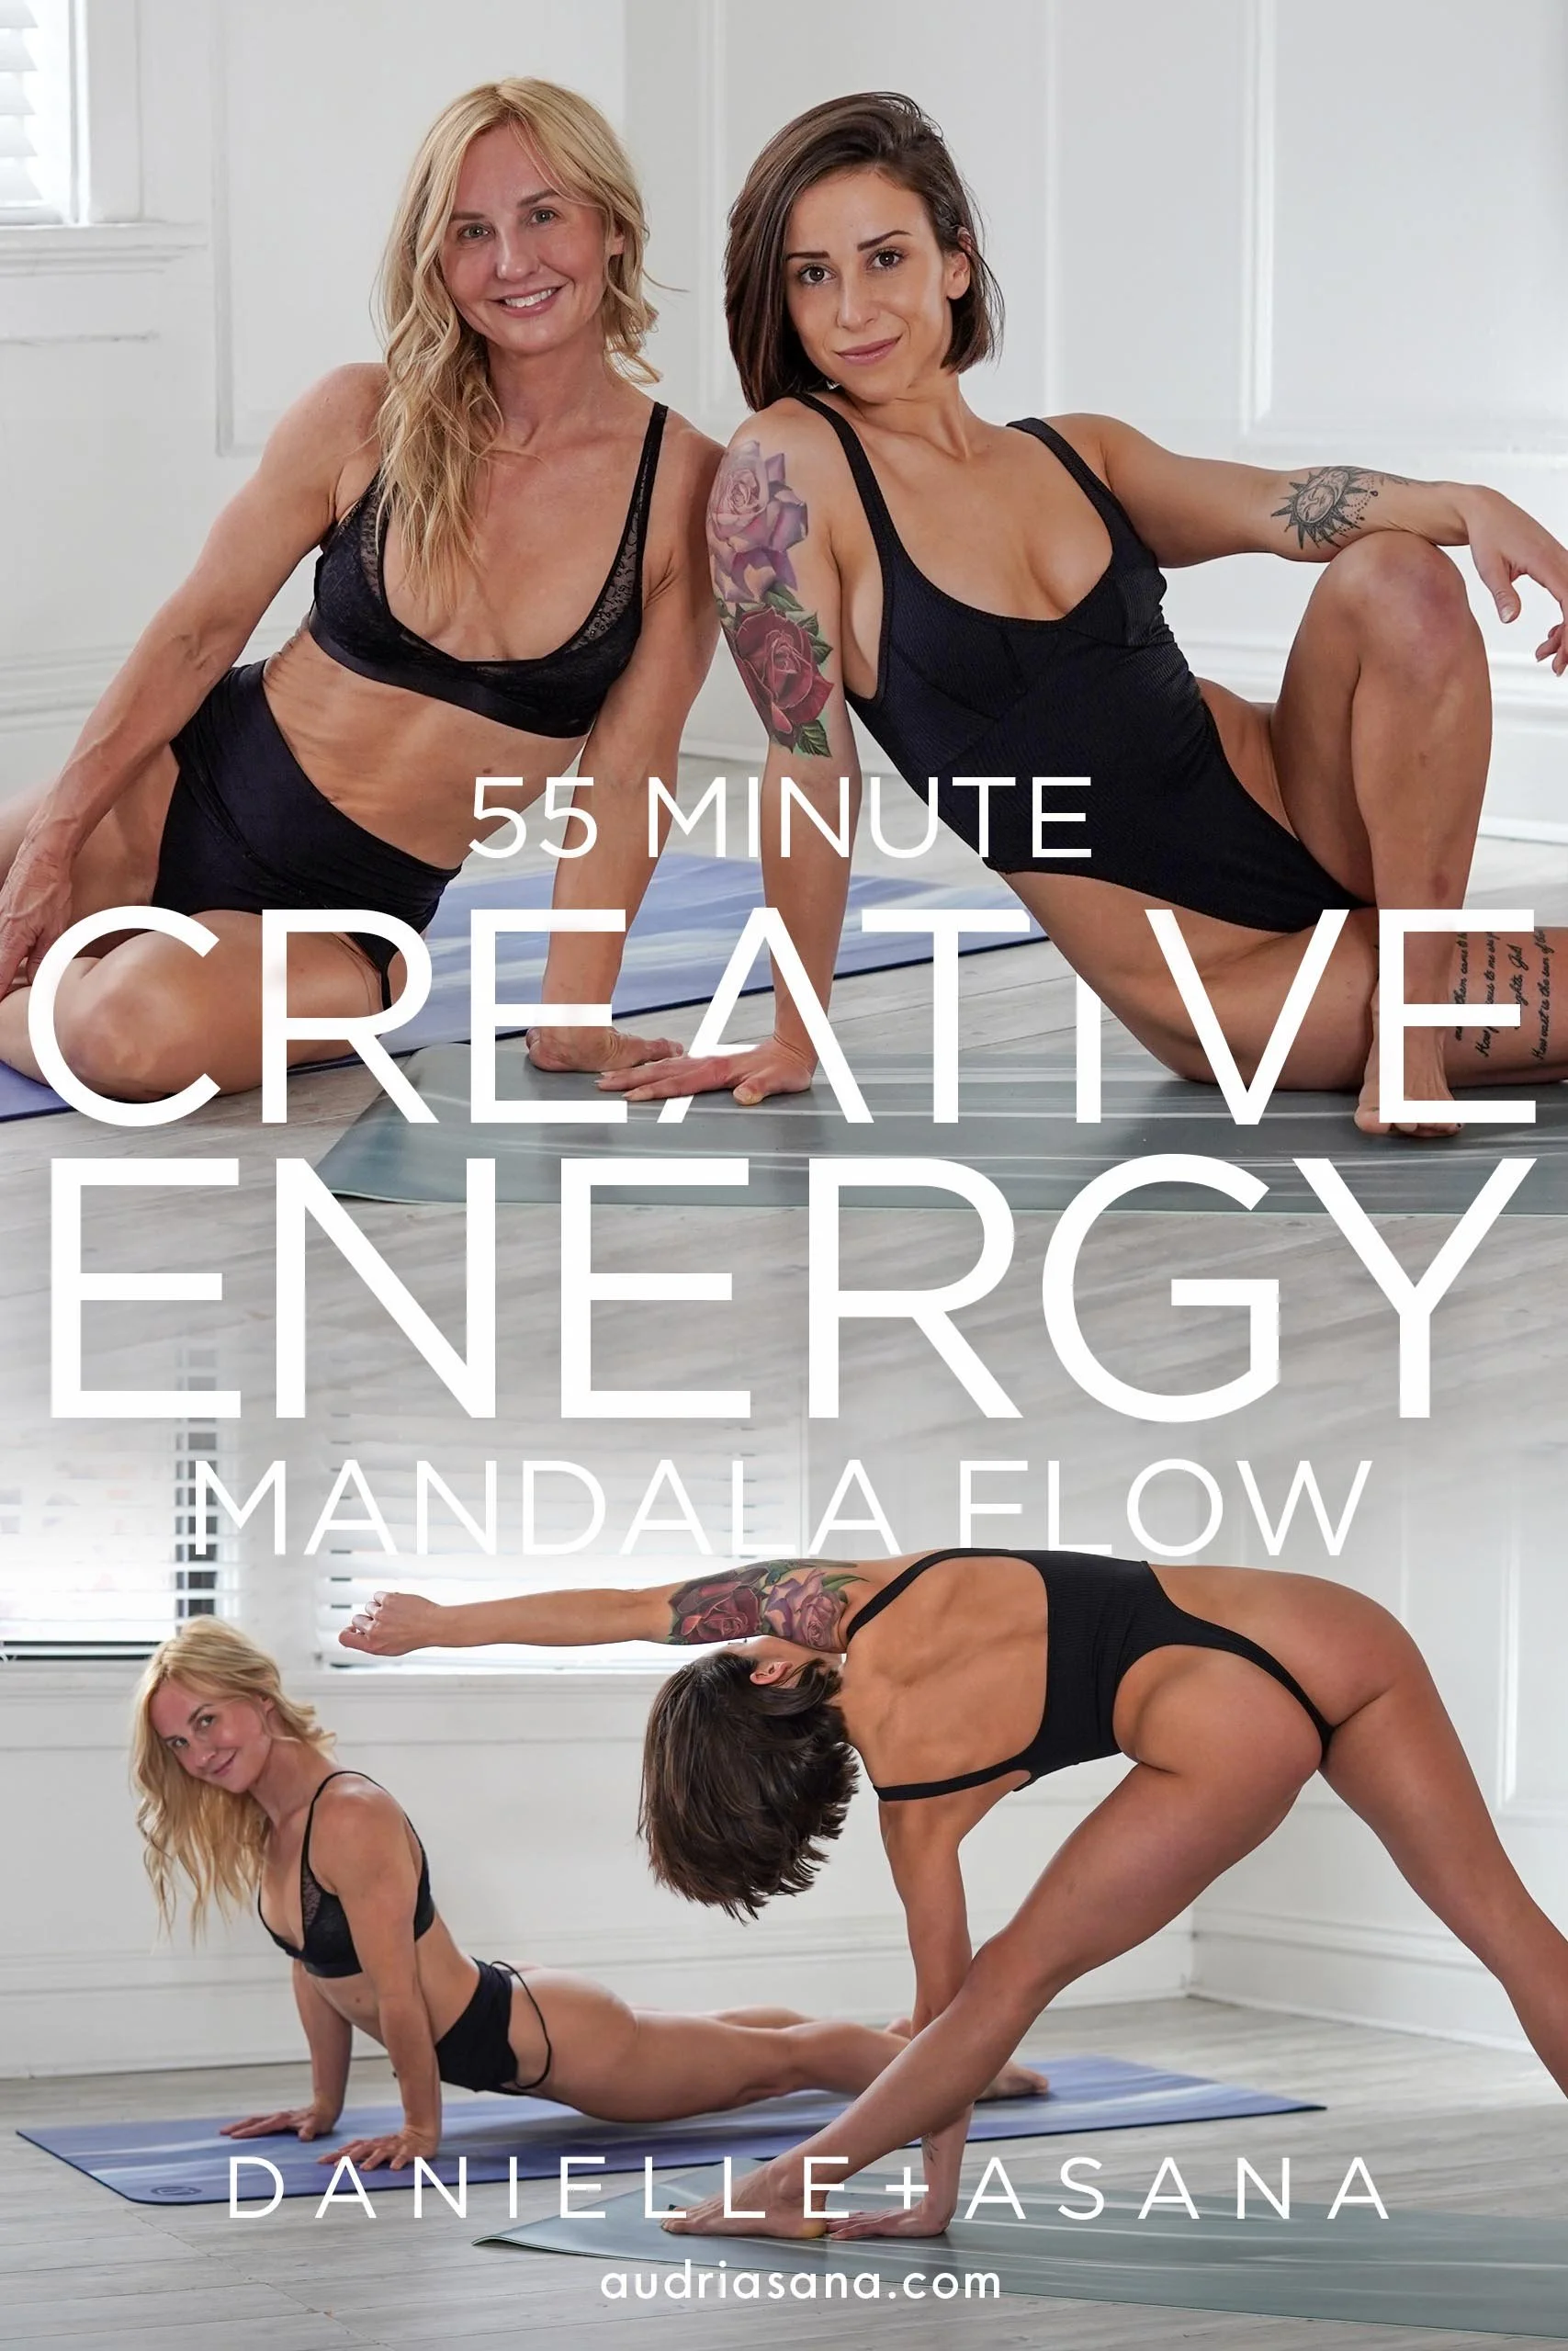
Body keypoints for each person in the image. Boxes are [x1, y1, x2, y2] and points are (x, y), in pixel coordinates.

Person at [593, 91, 1568, 1136]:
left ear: (955, 264)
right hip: (1222, 971)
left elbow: (1285, 508)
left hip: (1314, 817)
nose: (851, 311)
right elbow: (808, 766)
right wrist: (798, 1032)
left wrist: (1470, 505)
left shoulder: (1076, 451)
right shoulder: (786, 468)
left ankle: (1408, 1038)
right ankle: (1399, 1023)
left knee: (1399, 572)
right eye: (812, 276)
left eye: (886, 259)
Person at [342, 1547, 1568, 2230]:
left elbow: (949, 2027)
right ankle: (804, 2181)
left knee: (1008, 1981)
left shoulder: (916, 1795)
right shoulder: (818, 1590)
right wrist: (440, 1621)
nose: (732, 1634)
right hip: (1329, 1625)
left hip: (1220, 1719)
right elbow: (623, 1607)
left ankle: (790, 2183)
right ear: (765, 1663)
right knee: (1514, 1935)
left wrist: (933, 2194)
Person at [0, 78, 716, 1102]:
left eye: (544, 214)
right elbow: (198, 635)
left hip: (346, 925)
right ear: (436, 255)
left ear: (612, 226)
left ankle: (51, 996)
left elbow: (628, 774)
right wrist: (57, 842)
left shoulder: (689, 491)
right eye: (472, 230)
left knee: (127, 1040)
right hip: (172, 796)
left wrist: (572, 1016)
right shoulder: (363, 417)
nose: (512, 262)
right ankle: (80, 953)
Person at [134, 1617, 1045, 2172]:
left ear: (258, 1696)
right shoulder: (277, 1823)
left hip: (550, 2043)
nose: (200, 1751)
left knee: (782, 2067)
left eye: (207, 1719)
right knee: (740, 2044)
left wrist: (420, 2127)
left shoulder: (350, 1815)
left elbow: (398, 1992)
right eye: (179, 1742)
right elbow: (321, 1974)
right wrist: (324, 2108)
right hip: (521, 2009)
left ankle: (969, 2069)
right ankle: (894, 2042)